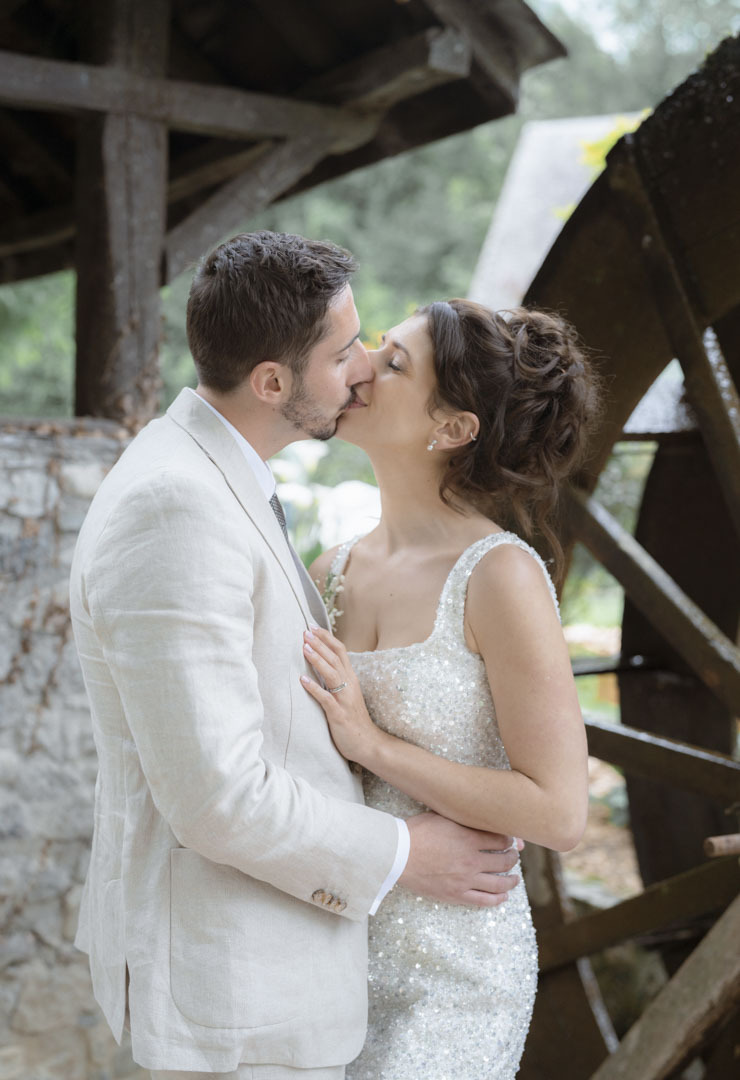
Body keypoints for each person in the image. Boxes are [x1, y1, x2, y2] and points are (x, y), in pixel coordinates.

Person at [69, 234, 523, 1080]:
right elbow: (217, 796)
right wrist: (402, 853)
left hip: (276, 986)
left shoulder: (217, 478)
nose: (362, 368)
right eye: (344, 351)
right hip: (233, 1000)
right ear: (273, 382)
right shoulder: (178, 505)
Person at [304, 299, 602, 1079]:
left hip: (455, 973)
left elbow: (560, 813)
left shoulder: (499, 576)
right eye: (375, 348)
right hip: (328, 951)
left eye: (395, 363)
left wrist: (373, 746)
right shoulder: (327, 572)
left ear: (453, 428)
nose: (362, 365)